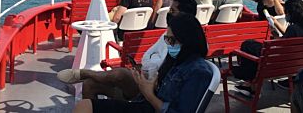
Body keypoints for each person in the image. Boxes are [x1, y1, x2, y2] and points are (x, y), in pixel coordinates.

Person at [57, 0, 198, 100]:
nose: (168, 13)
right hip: (144, 77)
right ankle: (86, 77)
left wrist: (145, 74)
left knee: (121, 74)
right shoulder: (168, 33)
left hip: (151, 89)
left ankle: (84, 73)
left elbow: (167, 73)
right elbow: (151, 56)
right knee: (89, 85)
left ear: (184, 15)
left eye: (172, 11)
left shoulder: (185, 44)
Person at [73, 13, 212, 113]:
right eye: (167, 39)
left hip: (149, 105)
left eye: (171, 40)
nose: (168, 44)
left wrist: (149, 94)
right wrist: (150, 85)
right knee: (85, 104)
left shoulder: (198, 72)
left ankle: (87, 74)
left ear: (186, 40)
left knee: (85, 106)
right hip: (145, 102)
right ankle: (88, 74)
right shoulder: (177, 59)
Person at [233, 0, 303, 97]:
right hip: (296, 63)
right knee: (253, 47)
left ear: (292, 13)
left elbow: (281, 48)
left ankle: (251, 84)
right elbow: (286, 44)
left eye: (286, 13)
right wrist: (276, 36)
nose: (286, 15)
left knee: (247, 45)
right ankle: (250, 85)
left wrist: (275, 38)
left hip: (277, 62)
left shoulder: (293, 29)